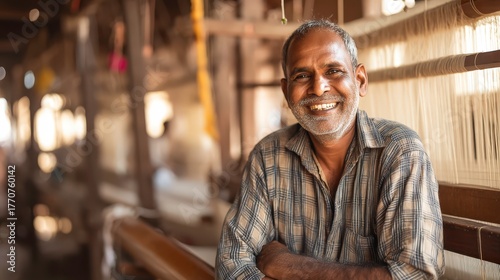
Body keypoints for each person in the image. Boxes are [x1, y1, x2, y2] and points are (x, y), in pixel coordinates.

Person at [216, 19, 445, 279]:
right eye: (302, 76)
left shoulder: (399, 152)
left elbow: (415, 274)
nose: (318, 87)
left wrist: (288, 264)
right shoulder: (268, 156)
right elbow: (231, 264)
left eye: (333, 71)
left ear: (360, 81)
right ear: (286, 90)